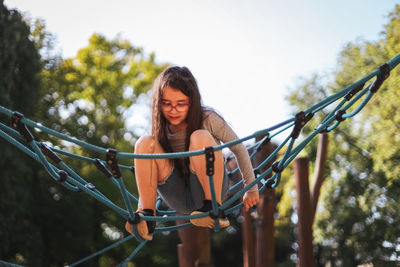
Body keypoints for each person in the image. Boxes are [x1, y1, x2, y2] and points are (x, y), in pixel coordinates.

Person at [125, 66, 259, 240]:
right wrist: (143, 206)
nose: (173, 110)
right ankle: (148, 218)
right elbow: (148, 170)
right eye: (167, 103)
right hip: (178, 194)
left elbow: (238, 148)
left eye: (181, 104)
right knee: (144, 143)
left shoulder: (207, 118)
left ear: (192, 101)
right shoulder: (160, 128)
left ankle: (211, 209)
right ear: (159, 103)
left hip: (211, 188)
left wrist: (252, 187)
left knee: (200, 137)